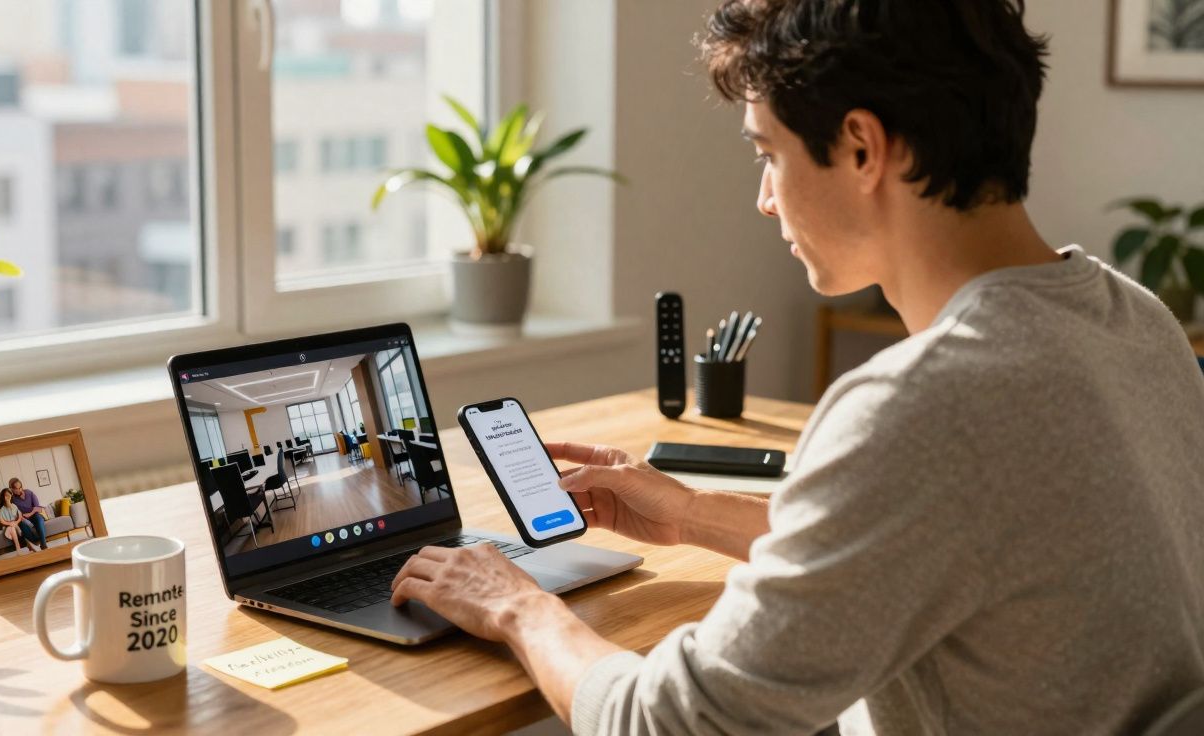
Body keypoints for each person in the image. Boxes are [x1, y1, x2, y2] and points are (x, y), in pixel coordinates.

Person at [389, 1, 1204, 733]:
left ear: (860, 148)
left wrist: (518, 607)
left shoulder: (921, 405)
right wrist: (691, 515)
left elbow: (673, 724)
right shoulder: (1133, 319)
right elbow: (949, 541)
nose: (765, 199)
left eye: (768, 153)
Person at [8, 477, 48, 551]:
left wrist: (30, 514)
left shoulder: (29, 493)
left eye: (20, 487)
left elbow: (37, 508)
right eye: (16, 488)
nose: (19, 490)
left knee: (39, 519)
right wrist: (21, 517)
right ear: (11, 489)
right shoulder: (12, 499)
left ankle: (43, 544)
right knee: (22, 526)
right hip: (23, 518)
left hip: (34, 514)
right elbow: (14, 513)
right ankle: (36, 541)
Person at [0, 488, 39, 556]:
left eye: (8, 495)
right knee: (12, 527)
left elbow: (20, 516)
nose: (7, 497)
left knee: (15, 527)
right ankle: (24, 547)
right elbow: (2, 521)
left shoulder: (14, 506)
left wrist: (15, 523)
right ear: (2, 497)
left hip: (15, 525)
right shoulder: (1, 509)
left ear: (11, 495)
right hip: (8, 526)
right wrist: (10, 523)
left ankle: (20, 549)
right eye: (5, 496)